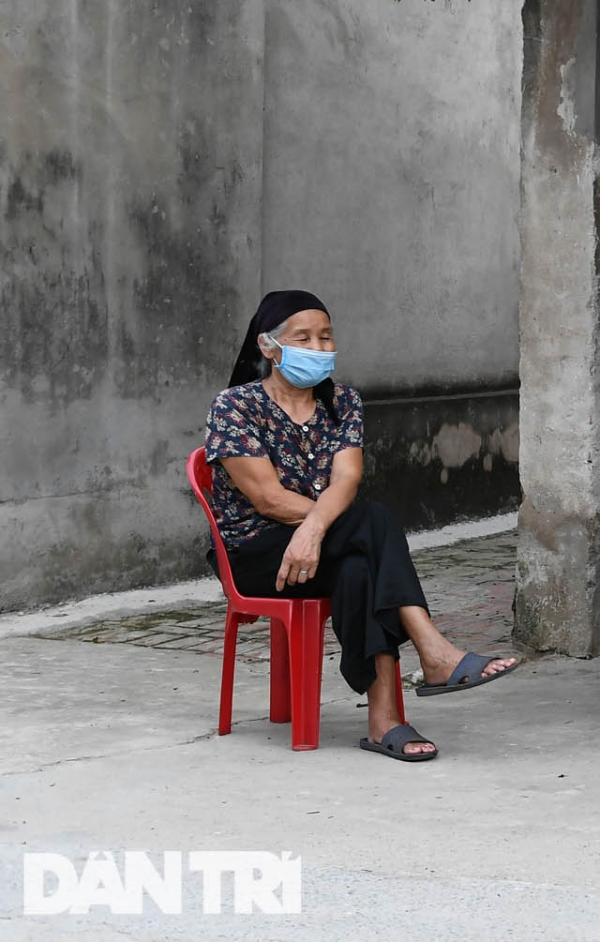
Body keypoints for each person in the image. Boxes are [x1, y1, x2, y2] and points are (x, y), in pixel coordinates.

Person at [204, 290, 519, 762]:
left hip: (321, 545)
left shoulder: (342, 402)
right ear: (268, 347)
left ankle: (385, 720)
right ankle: (430, 654)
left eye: (326, 336)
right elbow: (267, 499)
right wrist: (316, 527)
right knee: (373, 523)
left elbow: (346, 480)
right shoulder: (234, 407)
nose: (319, 346)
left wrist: (313, 531)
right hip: (259, 554)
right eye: (303, 338)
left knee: (360, 566)